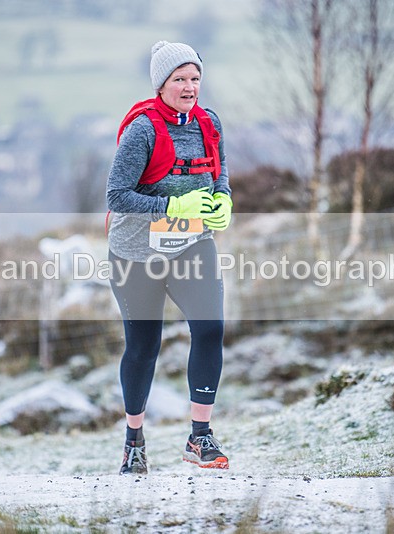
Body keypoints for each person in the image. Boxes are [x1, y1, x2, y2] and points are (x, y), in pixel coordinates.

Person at [106, 40, 233, 475]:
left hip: (192, 245)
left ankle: (200, 437)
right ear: (161, 84)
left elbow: (219, 175)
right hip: (136, 254)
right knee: (144, 346)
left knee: (211, 328)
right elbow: (116, 195)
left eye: (195, 78)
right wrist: (172, 207)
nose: (189, 86)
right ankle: (134, 441)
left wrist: (223, 202)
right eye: (180, 79)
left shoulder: (208, 123)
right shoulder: (143, 129)